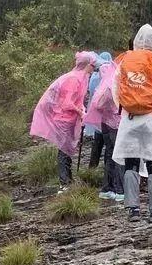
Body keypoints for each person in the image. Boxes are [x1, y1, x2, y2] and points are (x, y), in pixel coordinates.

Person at [112, 24, 152, 224]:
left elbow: (116, 91)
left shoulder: (125, 62)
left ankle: (132, 208)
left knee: (131, 161)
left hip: (130, 118)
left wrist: (128, 109)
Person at [30, 51, 99, 190]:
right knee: (64, 150)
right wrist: (80, 111)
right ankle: (64, 183)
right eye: (92, 65)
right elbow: (67, 103)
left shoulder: (81, 77)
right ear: (87, 65)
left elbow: (75, 101)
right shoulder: (74, 79)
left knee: (67, 150)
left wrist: (81, 109)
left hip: (69, 119)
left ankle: (68, 179)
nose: (94, 68)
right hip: (64, 119)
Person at [83, 57, 124, 201]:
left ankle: (107, 188)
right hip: (115, 124)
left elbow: (98, 105)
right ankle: (119, 190)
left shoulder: (103, 84)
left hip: (105, 123)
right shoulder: (112, 84)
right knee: (118, 156)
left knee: (109, 154)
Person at [86, 52, 113, 168]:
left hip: (95, 113)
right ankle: (108, 169)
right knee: (109, 146)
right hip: (108, 116)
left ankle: (92, 167)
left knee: (97, 143)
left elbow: (90, 92)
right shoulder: (108, 75)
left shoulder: (94, 76)